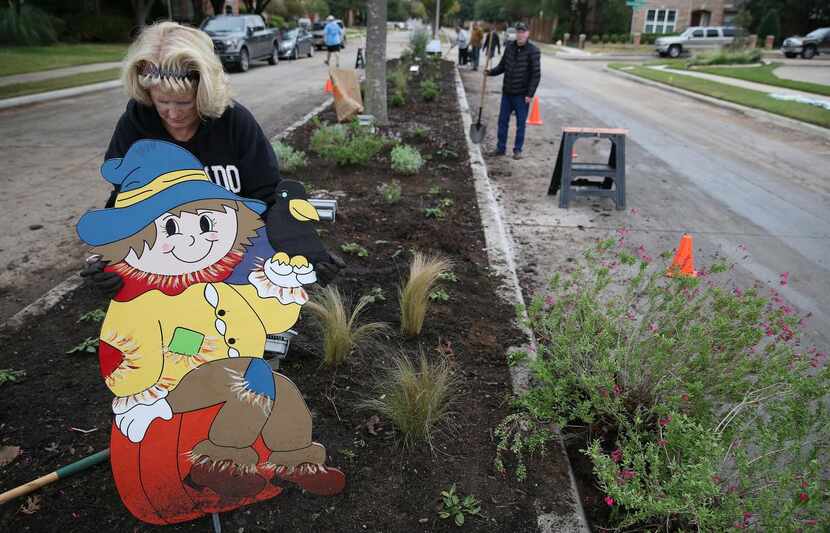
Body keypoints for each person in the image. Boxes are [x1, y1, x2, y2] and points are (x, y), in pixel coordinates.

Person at [81, 21, 344, 294]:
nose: (173, 113)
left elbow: (267, 195)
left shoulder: (234, 122)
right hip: (163, 263)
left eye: (184, 102)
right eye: (162, 102)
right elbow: (123, 199)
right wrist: (108, 258)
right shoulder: (136, 124)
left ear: (204, 91)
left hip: (234, 260)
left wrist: (303, 251)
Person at [485, 22, 541, 160]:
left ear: (527, 33)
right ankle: (500, 148)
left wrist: (530, 94)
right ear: (516, 33)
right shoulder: (509, 47)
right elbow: (502, 66)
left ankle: (517, 150)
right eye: (518, 32)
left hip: (522, 95)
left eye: (523, 32)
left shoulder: (533, 51)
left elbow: (536, 74)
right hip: (507, 93)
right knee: (502, 121)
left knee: (521, 124)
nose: (520, 34)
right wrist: (490, 72)